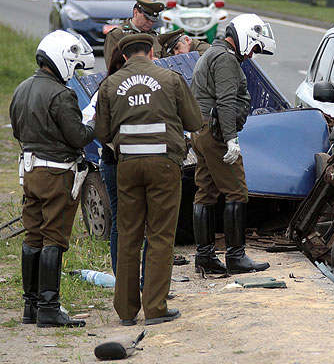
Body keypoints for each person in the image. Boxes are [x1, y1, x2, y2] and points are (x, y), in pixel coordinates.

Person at [95, 34, 203, 326]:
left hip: (127, 166)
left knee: (128, 234)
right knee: (159, 235)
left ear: (125, 56)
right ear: (152, 53)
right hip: (164, 166)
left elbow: (102, 134)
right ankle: (155, 308)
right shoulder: (170, 79)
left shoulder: (110, 84)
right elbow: (195, 122)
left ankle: (126, 311)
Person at [10, 30, 96, 328]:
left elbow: (17, 132)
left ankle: (30, 307)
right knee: (54, 237)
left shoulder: (21, 88)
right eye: (73, 65)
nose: (74, 73)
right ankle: (49, 308)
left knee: (32, 235)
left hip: (30, 172)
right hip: (57, 173)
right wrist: (93, 117)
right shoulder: (61, 94)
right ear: (61, 58)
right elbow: (79, 136)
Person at [189, 13, 275, 275]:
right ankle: (236, 257)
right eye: (255, 47)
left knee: (205, 191)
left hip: (201, 130)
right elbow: (226, 101)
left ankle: (204, 257)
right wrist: (230, 139)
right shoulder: (226, 59)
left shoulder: (212, 53)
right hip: (215, 132)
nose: (252, 54)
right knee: (237, 191)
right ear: (246, 35)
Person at [98, 48, 148, 284]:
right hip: (118, 162)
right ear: (122, 63)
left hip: (120, 161)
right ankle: (133, 280)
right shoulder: (111, 87)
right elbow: (100, 129)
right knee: (129, 221)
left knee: (125, 221)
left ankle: (127, 281)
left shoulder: (110, 86)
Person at [103, 0, 165, 68]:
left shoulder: (157, 37)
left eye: (153, 20)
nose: (150, 23)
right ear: (135, 12)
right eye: (147, 18)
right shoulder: (118, 35)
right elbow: (112, 67)